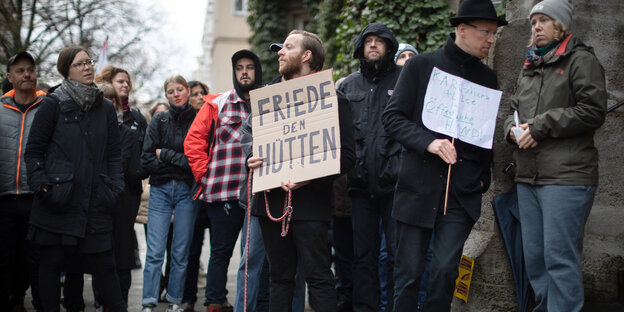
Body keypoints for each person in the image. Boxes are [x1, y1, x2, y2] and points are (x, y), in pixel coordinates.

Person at [381, 0, 507, 310]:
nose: (491, 40)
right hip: (417, 189)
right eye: (486, 32)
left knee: (444, 272)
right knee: (408, 276)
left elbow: (485, 136)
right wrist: (429, 142)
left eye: (494, 33)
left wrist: (481, 179)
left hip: (461, 194)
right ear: (462, 29)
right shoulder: (420, 66)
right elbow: (393, 118)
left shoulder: (487, 78)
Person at [242, 29, 355, 312]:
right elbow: (248, 135)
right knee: (279, 278)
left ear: (307, 56)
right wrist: (251, 155)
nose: (279, 52)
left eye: (288, 47)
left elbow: (348, 156)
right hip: (269, 202)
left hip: (311, 204)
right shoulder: (266, 98)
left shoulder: (333, 99)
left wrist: (308, 177)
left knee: (318, 276)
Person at [504, 1, 606, 311]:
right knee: (536, 260)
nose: (536, 27)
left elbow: (592, 111)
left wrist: (540, 125)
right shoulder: (530, 65)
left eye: (544, 20)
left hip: (567, 177)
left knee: (559, 258)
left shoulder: (581, 60)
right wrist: (511, 129)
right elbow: (514, 110)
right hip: (528, 176)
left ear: (560, 25)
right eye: (533, 22)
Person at [24, 45, 126, 312]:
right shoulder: (52, 103)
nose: (88, 67)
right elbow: (34, 152)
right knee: (50, 271)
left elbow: (114, 155)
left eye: (89, 62)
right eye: (80, 64)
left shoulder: (104, 107)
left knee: (106, 271)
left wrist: (113, 188)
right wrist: (45, 189)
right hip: (57, 205)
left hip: (96, 205)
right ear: (66, 71)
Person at [184, 49, 262, 312]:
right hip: (224, 193)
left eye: (249, 67)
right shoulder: (217, 103)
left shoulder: (269, 101)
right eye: (239, 67)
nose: (244, 72)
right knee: (221, 252)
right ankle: (214, 302)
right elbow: (193, 140)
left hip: (261, 191)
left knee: (255, 256)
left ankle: (253, 303)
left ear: (257, 71)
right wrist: (204, 174)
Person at [336, 22, 402, 312]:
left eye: (379, 41)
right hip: (359, 184)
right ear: (361, 47)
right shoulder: (347, 86)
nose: (373, 45)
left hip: (394, 183)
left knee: (397, 255)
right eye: (368, 41)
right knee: (362, 254)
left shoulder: (405, 80)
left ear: (389, 46)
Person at [141, 75, 197, 312]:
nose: (176, 94)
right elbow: (145, 159)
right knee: (154, 252)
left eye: (180, 89)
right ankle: (148, 301)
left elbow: (196, 161)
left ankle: (174, 300)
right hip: (161, 190)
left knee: (180, 252)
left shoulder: (198, 120)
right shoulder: (159, 120)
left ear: (187, 90)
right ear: (166, 95)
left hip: (187, 190)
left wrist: (164, 154)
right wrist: (177, 163)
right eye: (170, 91)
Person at [94, 65, 148, 307]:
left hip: (128, 192)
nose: (125, 85)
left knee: (124, 250)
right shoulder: (95, 119)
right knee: (102, 250)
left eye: (127, 81)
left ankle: (120, 301)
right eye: (120, 81)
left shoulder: (135, 118)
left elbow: (144, 152)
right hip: (101, 193)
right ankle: (101, 298)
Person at [0, 51, 45, 312]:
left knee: (34, 258)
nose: (26, 74)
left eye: (30, 69)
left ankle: (29, 300)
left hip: (35, 197)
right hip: (4, 198)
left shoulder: (48, 109)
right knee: (5, 258)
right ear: (10, 77)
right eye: (20, 70)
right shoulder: (1, 110)